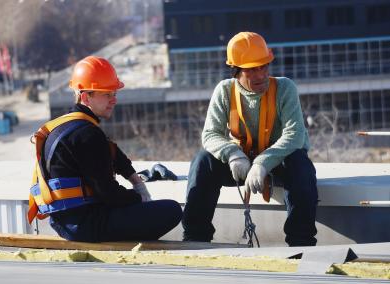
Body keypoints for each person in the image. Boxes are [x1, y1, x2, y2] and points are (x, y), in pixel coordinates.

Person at [182, 32, 318, 246]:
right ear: (236, 71)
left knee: (301, 166)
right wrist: (234, 155)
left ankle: (301, 241)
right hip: (241, 163)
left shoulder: (285, 88)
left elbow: (294, 135)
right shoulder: (224, 91)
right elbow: (210, 135)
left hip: (280, 161)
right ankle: (195, 237)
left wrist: (263, 163)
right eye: (252, 70)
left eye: (264, 67)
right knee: (203, 162)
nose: (261, 75)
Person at [28, 56, 182, 242]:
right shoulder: (87, 134)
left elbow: (113, 154)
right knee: (171, 210)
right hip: (87, 225)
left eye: (114, 94)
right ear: (86, 97)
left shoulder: (64, 127)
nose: (114, 100)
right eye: (107, 94)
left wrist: (136, 180)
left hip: (66, 223)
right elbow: (109, 194)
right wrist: (138, 197)